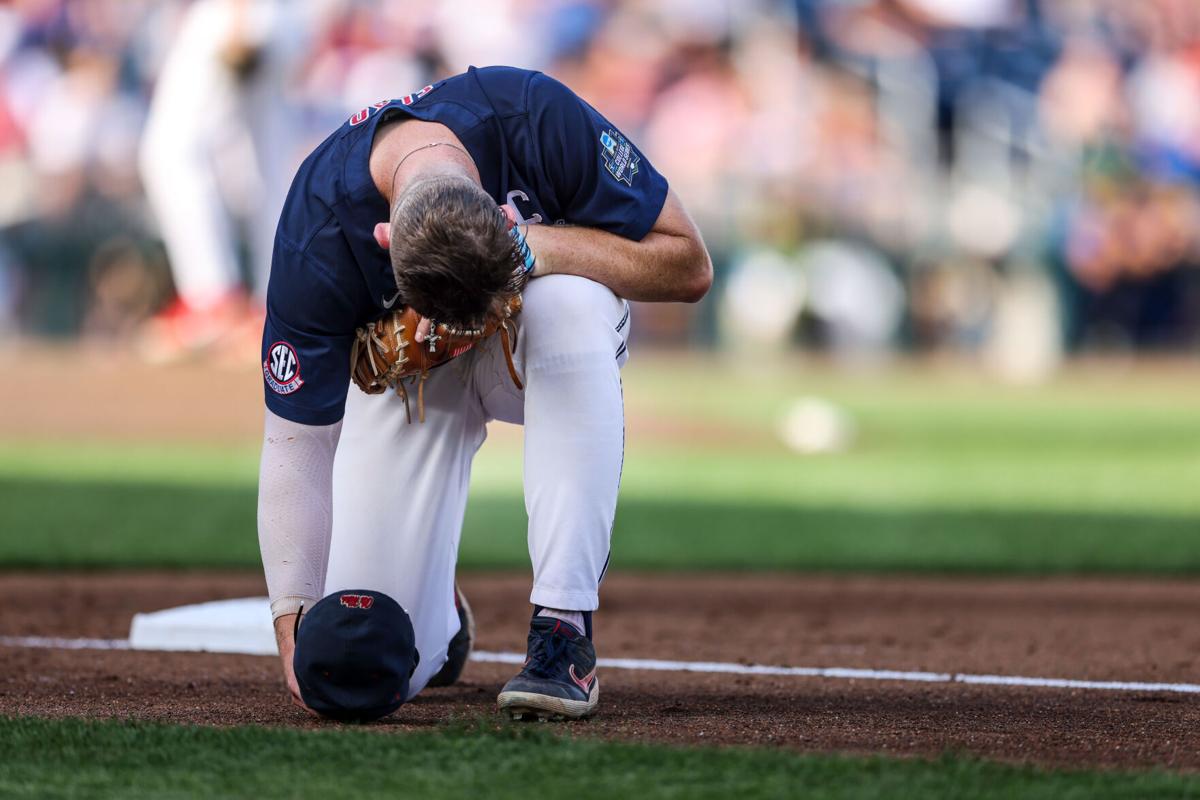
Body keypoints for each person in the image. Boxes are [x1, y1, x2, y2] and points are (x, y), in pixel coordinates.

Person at [257, 65, 711, 721]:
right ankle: (436, 616)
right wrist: (291, 607)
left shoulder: (536, 114)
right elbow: (296, 444)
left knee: (571, 302)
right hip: (417, 375)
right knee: (362, 662)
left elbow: (689, 264)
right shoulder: (316, 228)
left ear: (499, 211)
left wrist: (536, 247)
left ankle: (564, 627)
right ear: (384, 238)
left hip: (540, 344)